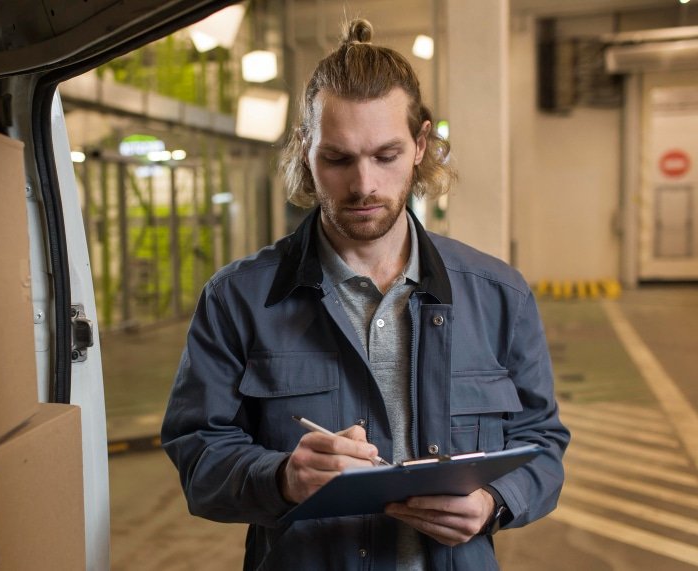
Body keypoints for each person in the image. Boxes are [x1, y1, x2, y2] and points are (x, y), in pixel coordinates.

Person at [161, 18, 570, 571]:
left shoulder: (500, 296)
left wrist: (493, 502)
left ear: (420, 144)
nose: (363, 185)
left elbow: (542, 442)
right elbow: (197, 454)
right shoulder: (237, 299)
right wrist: (282, 478)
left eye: (386, 155)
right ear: (306, 150)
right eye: (338, 158)